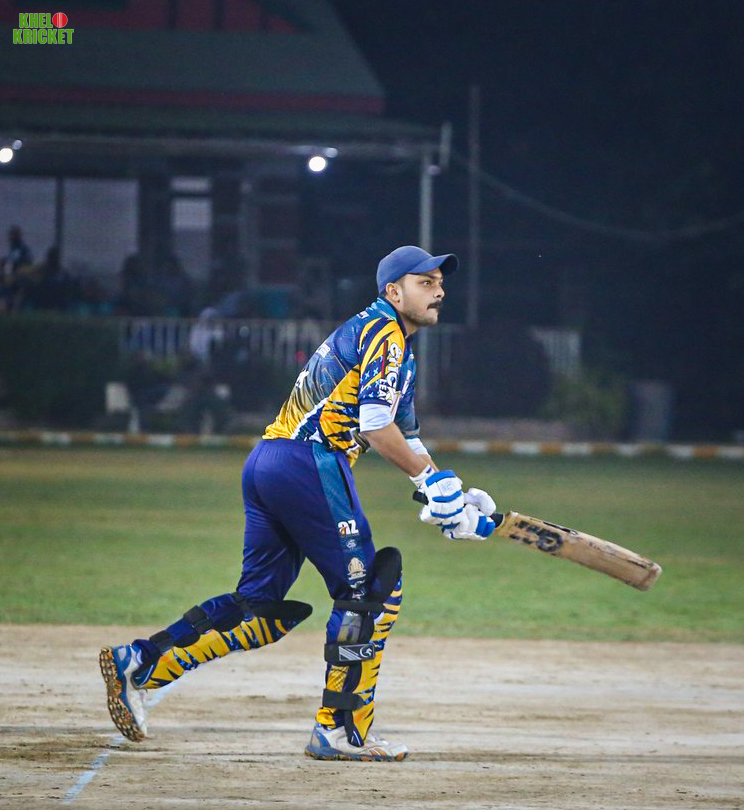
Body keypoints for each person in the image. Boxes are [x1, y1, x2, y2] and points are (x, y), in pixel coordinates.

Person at [99, 245, 497, 762]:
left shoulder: (386, 339)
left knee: (259, 607)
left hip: (268, 461)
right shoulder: (386, 335)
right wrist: (428, 480)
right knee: (369, 593)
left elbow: (406, 435)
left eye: (440, 282)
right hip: (311, 461)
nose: (439, 291)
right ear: (394, 292)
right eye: (425, 282)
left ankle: (141, 662)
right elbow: (377, 428)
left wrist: (448, 494)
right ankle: (340, 731)